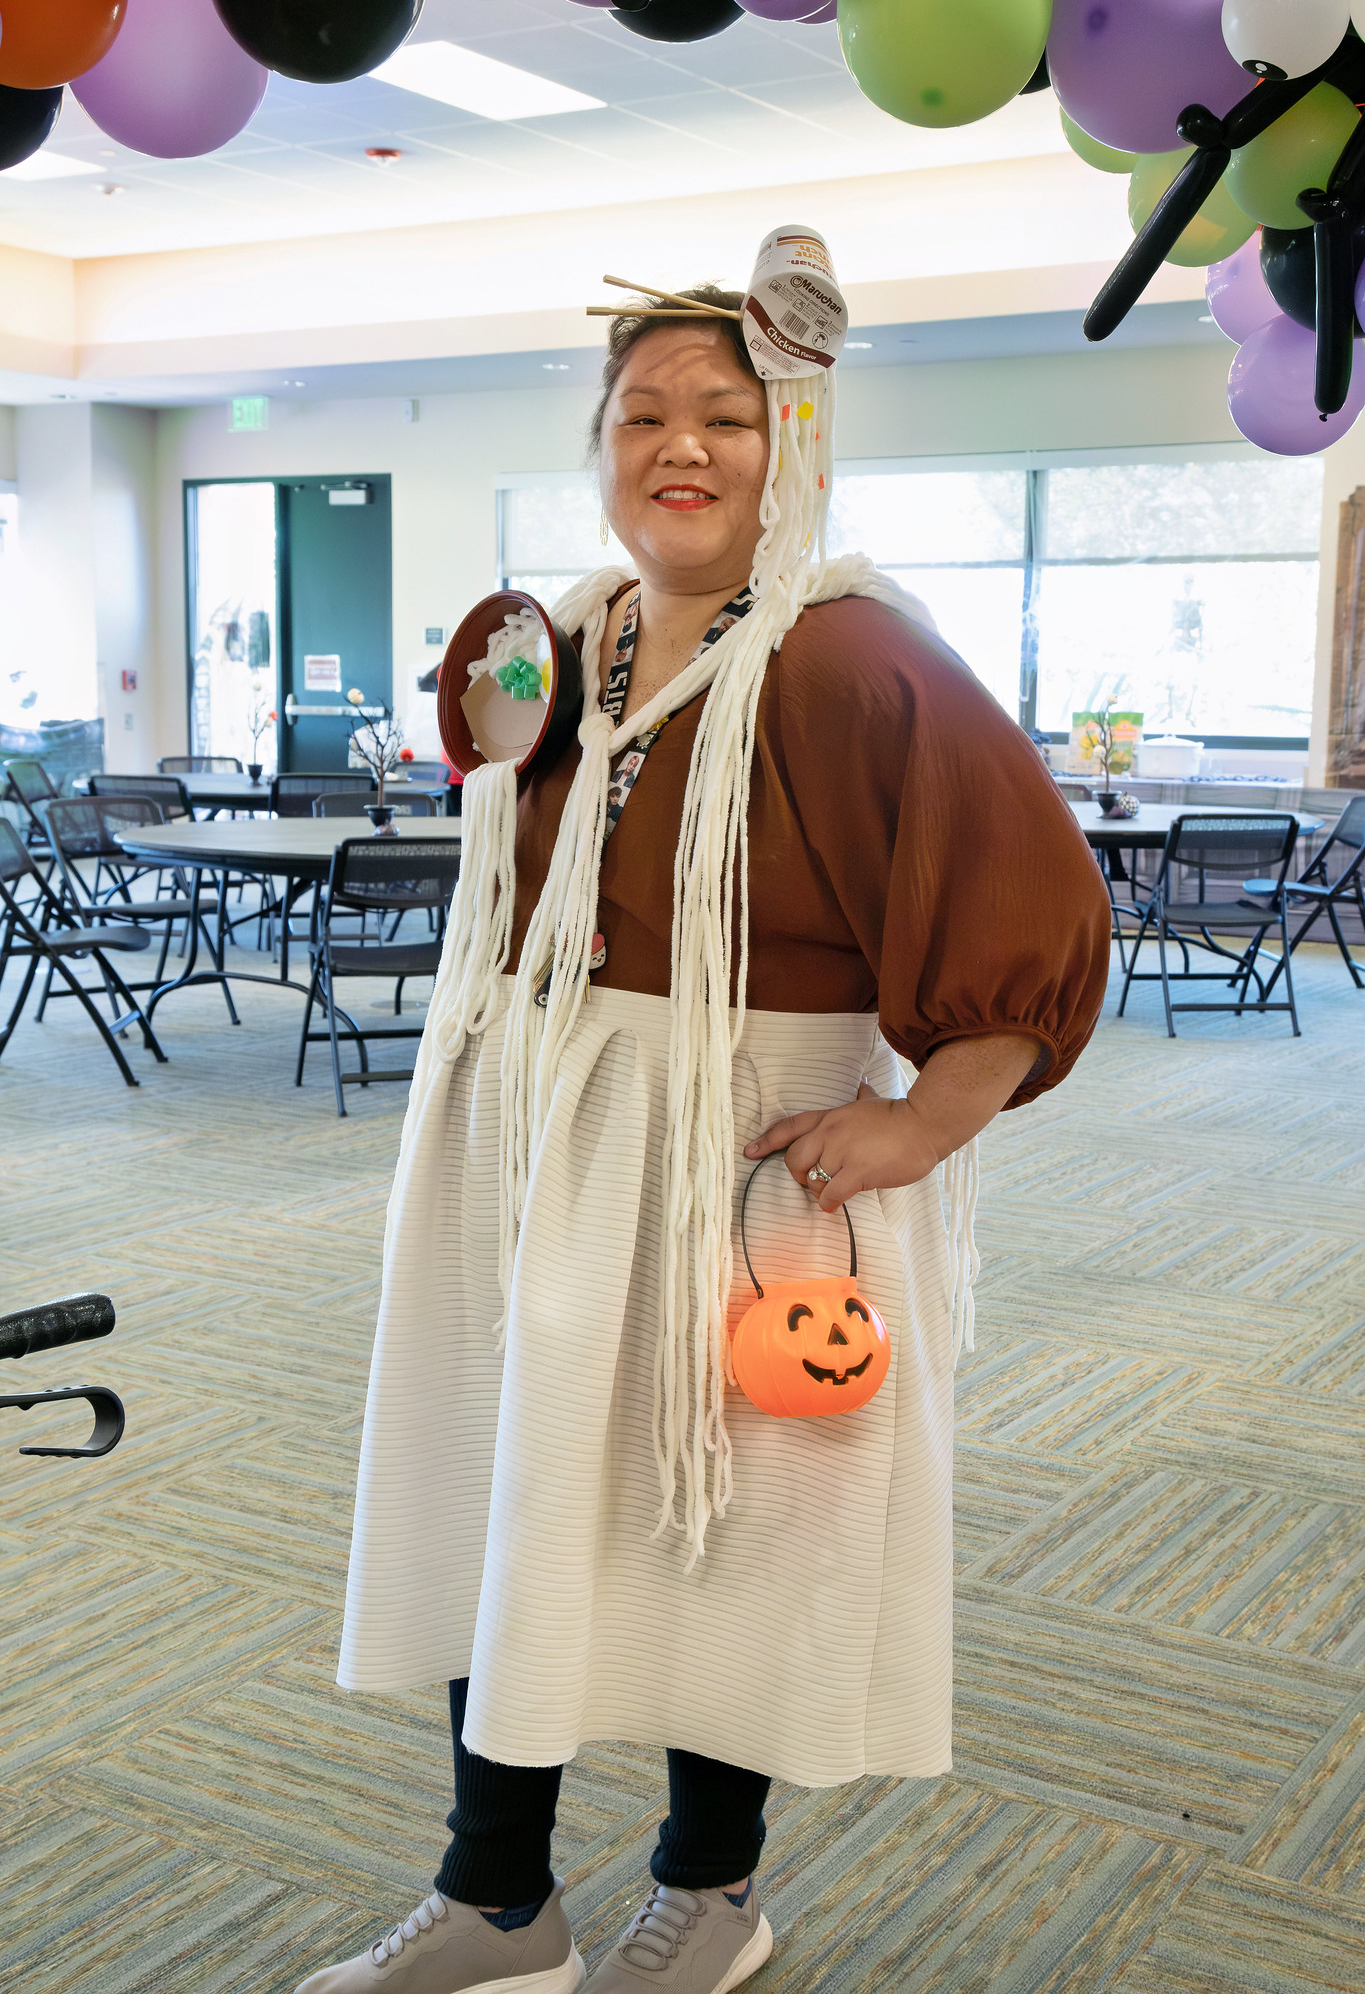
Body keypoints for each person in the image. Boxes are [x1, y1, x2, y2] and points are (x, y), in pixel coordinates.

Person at [296, 278, 1110, 1994]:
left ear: (786, 443)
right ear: (596, 447)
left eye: (725, 417)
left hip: (744, 1134)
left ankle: (711, 1890)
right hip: (543, 1115)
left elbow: (1023, 888)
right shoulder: (552, 638)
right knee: (510, 1482)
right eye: (644, 414)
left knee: (720, 1504)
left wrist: (925, 1123)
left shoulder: (851, 644)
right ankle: (497, 1898)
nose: (682, 445)